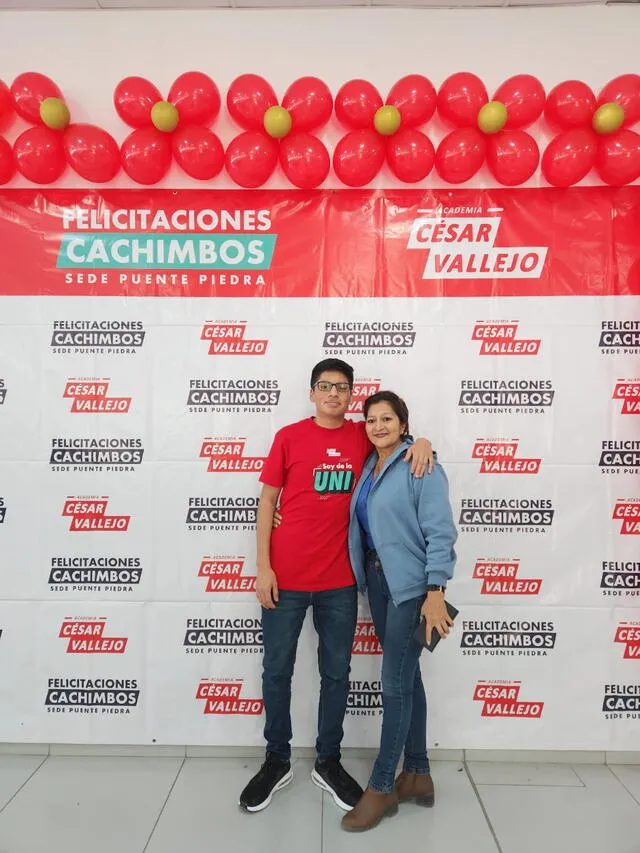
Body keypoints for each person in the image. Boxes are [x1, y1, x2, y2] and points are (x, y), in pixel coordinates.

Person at [239, 360, 434, 814]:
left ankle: (328, 760)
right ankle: (277, 758)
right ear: (312, 393)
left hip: (340, 583)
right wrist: (263, 567)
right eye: (324, 387)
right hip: (284, 579)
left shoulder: (361, 436)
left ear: (351, 396)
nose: (333, 394)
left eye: (341, 388)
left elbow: (399, 446)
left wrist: (423, 441)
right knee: (276, 671)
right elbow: (268, 499)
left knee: (336, 674)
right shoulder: (288, 436)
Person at [341, 390, 457, 833]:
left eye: (387, 419)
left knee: (394, 685)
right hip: (378, 581)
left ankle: (383, 784)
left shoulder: (420, 464)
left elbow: (440, 532)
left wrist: (435, 589)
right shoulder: (371, 466)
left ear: (403, 424)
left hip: (412, 590)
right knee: (410, 677)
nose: (378, 426)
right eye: (371, 420)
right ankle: (420, 775)